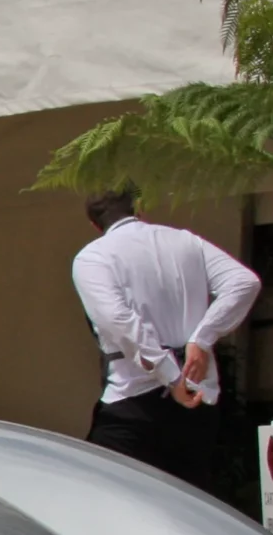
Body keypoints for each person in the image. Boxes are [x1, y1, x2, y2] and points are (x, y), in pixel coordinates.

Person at [70, 190, 261, 496]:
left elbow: (118, 320)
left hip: (133, 398)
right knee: (189, 503)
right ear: (139, 208)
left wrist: (169, 375)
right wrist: (202, 338)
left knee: (106, 496)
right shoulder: (186, 241)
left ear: (94, 225)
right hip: (196, 397)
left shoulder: (93, 257)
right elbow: (244, 282)